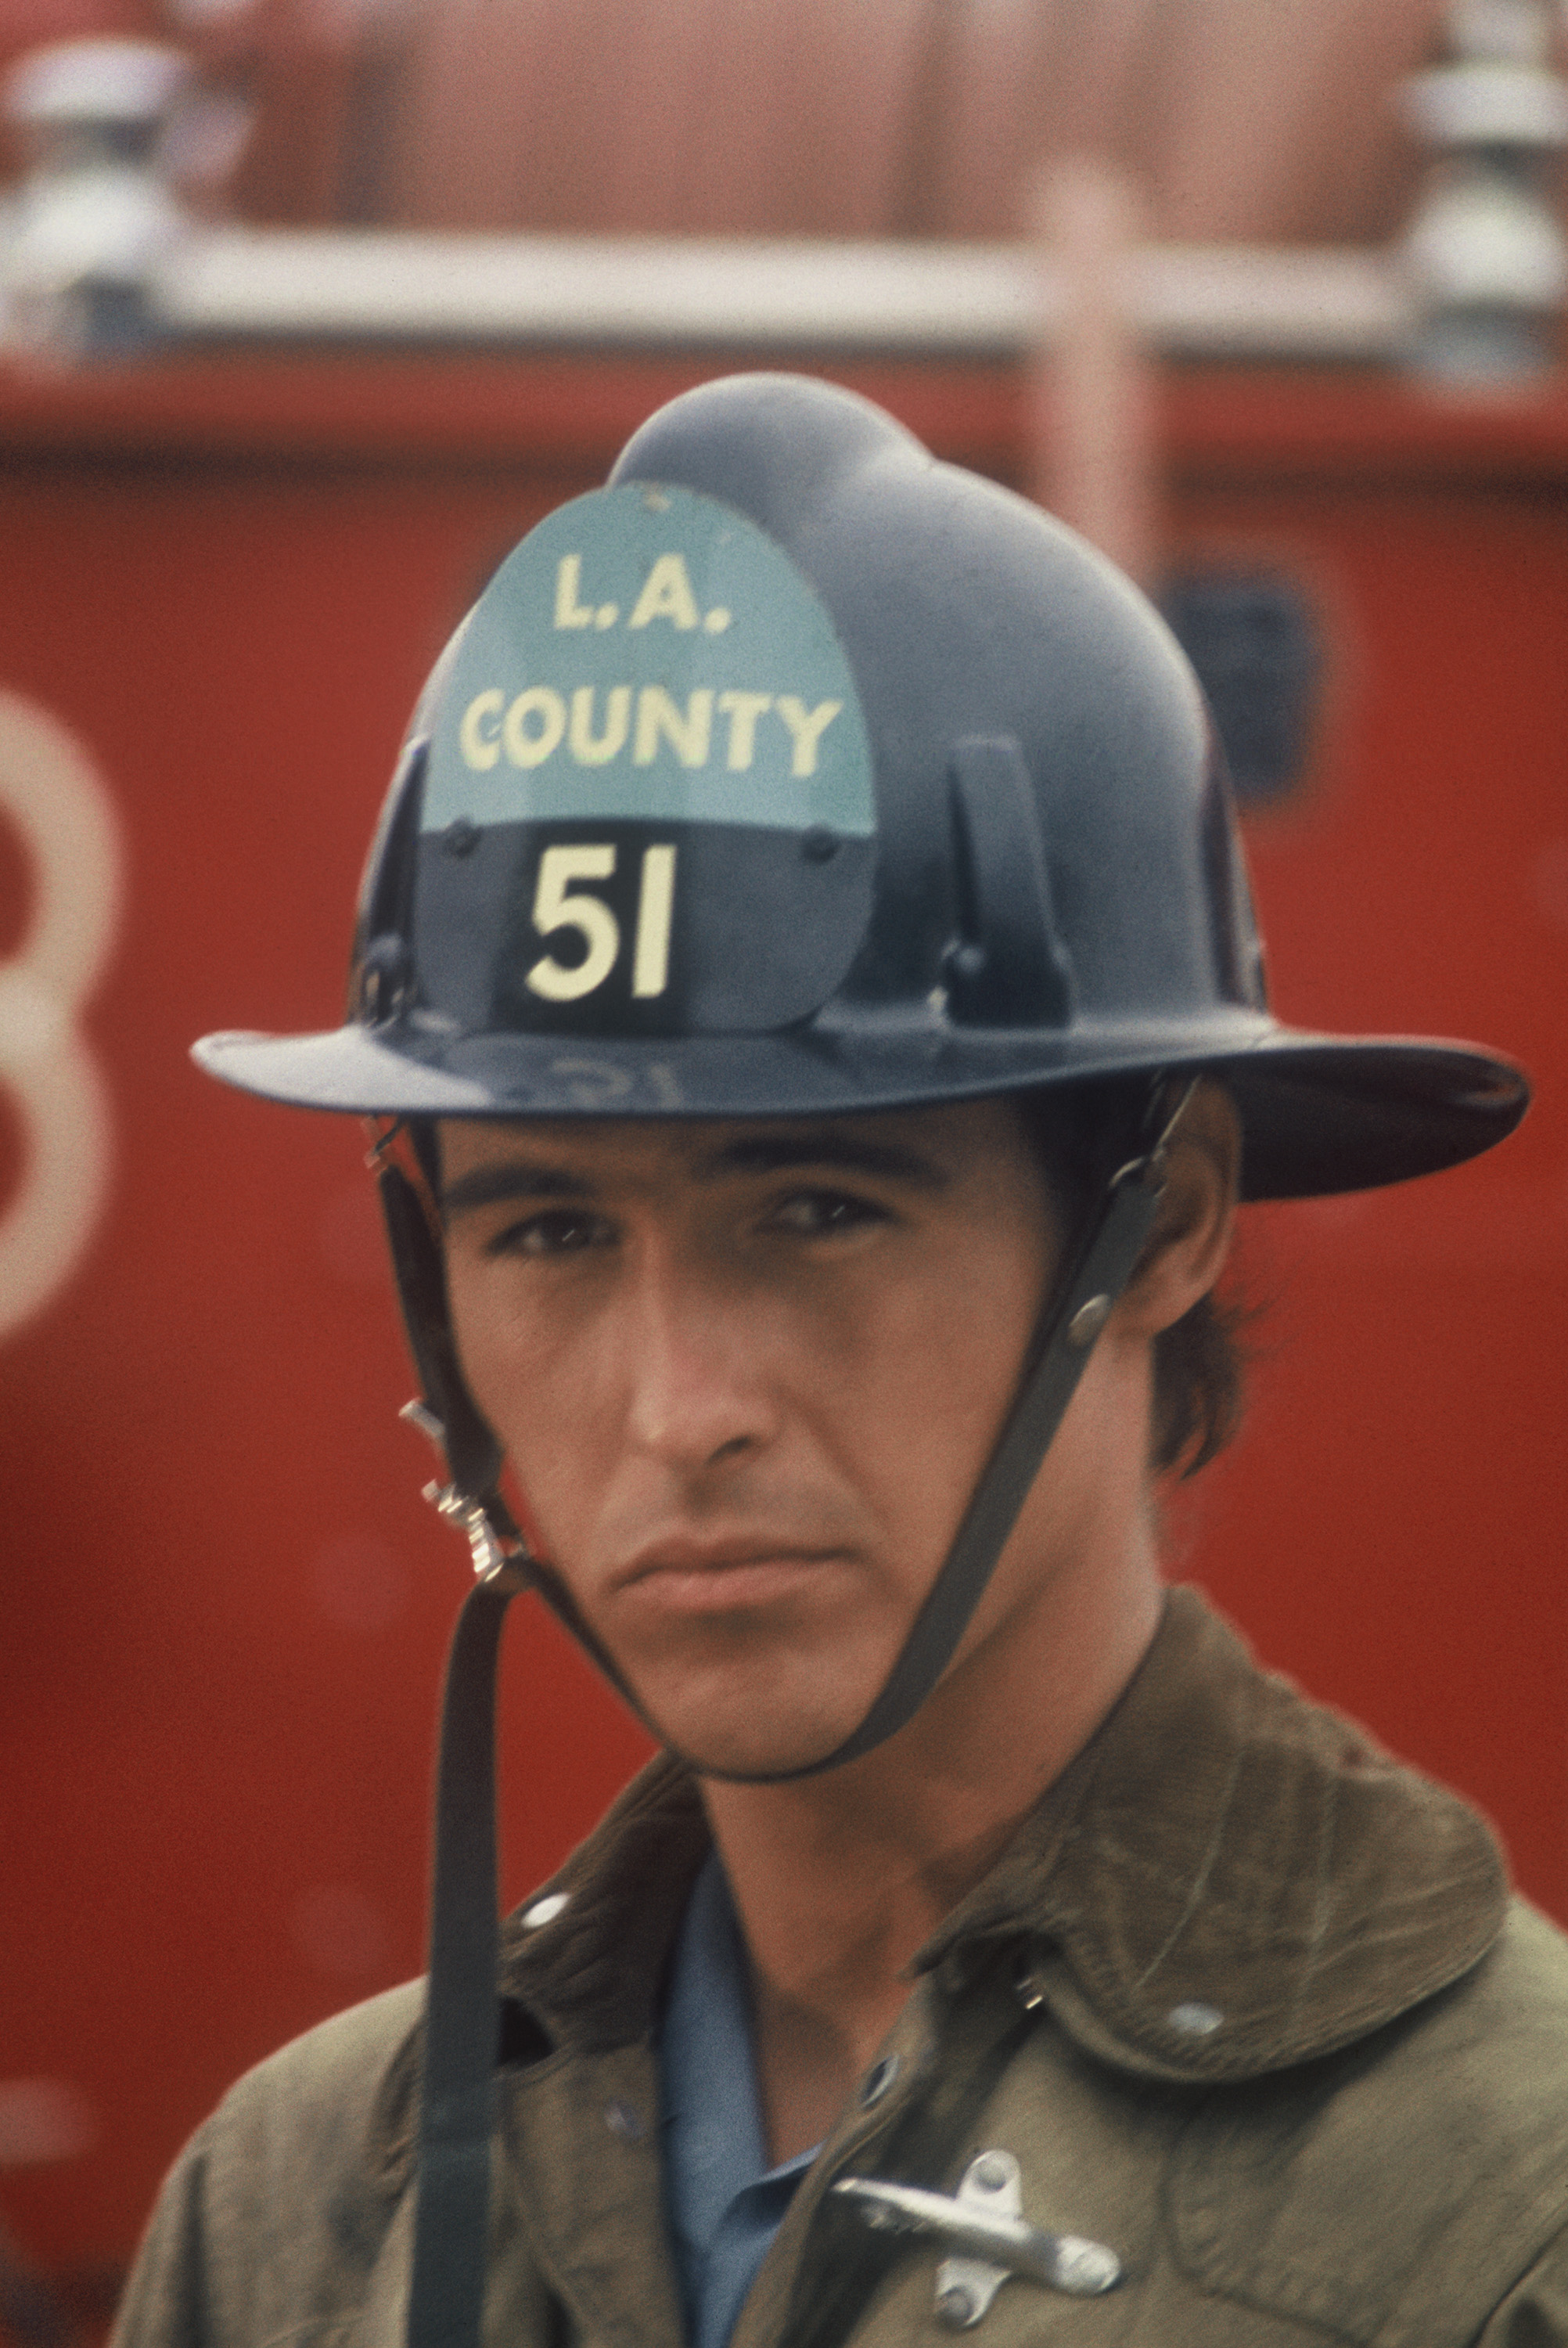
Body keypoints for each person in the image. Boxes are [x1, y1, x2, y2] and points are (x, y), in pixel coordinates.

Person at [113, 373, 1567, 2348]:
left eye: (817, 1209)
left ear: (1164, 1217)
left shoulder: (1502, 2212)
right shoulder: (294, 2211)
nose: (676, 1407)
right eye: (546, 1230)